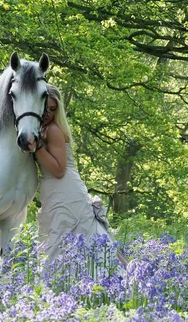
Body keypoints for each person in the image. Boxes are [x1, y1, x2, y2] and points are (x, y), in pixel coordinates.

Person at [34, 83, 128, 268]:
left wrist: (37, 147)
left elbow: (59, 171)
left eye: (53, 109)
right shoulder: (40, 130)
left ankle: (116, 280)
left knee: (76, 236)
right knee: (71, 239)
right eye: (45, 108)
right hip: (54, 193)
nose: (48, 114)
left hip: (65, 190)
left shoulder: (52, 130)